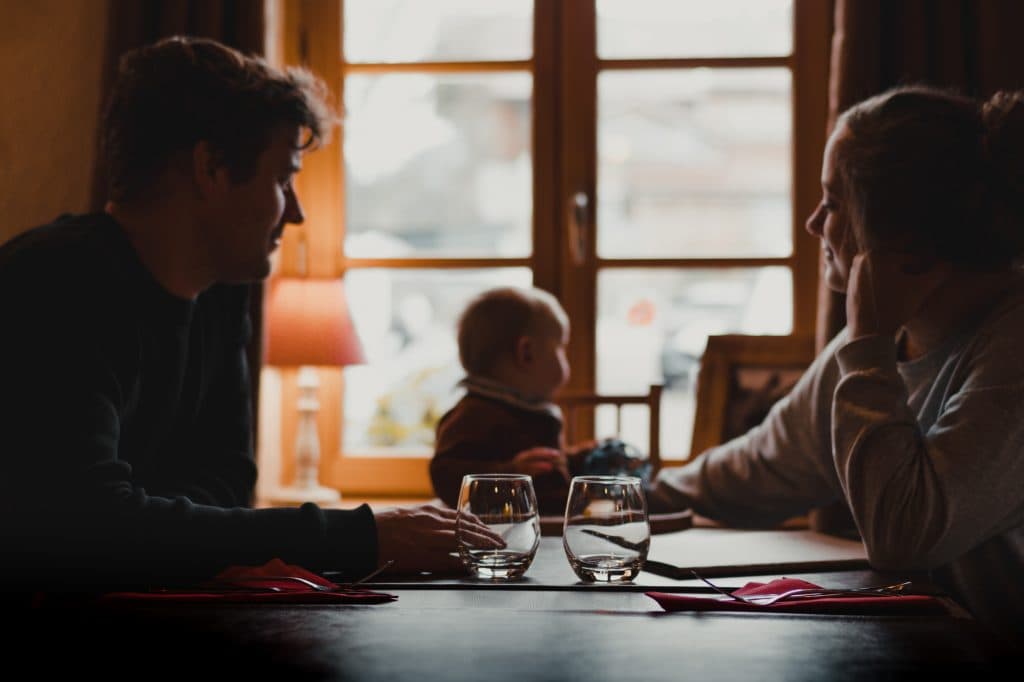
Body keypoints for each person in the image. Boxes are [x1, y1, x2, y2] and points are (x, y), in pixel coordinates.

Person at [0, 35, 499, 590]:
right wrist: (361, 538)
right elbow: (87, 525)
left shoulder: (220, 292)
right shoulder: (51, 286)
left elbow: (227, 479)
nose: (298, 212)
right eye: (284, 178)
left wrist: (149, 525)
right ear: (210, 166)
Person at [647, 85, 1024, 644]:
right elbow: (754, 470)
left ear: (906, 242)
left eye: (833, 203)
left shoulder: (1006, 346)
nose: (814, 224)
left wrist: (868, 339)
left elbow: (906, 536)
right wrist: (622, 496)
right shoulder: (876, 345)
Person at [430, 286, 598, 515]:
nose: (566, 360)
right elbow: (445, 474)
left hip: (549, 523)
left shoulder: (526, 408)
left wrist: (581, 456)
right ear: (526, 353)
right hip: (505, 538)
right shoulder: (473, 415)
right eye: (561, 349)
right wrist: (509, 472)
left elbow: (546, 464)